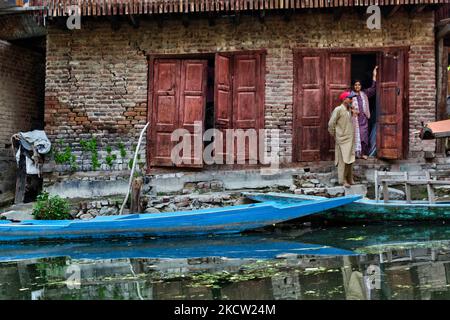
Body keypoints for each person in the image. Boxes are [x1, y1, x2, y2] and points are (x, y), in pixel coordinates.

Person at [328, 91, 357, 188]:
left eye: (352, 98)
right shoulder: (338, 109)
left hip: (349, 138)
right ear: (344, 99)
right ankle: (343, 180)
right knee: (343, 160)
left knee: (350, 160)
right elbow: (331, 124)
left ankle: (349, 178)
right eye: (350, 98)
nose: (351, 100)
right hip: (342, 139)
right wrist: (336, 135)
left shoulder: (349, 110)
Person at [352, 66, 378, 159]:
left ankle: (363, 153)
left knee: (364, 137)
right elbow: (345, 104)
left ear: (361, 86)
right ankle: (356, 154)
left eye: (359, 85)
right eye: (355, 85)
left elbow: (373, 89)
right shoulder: (351, 95)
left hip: (364, 119)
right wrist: (352, 110)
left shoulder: (365, 93)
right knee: (355, 136)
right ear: (353, 86)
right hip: (354, 120)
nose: (357, 86)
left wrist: (374, 75)